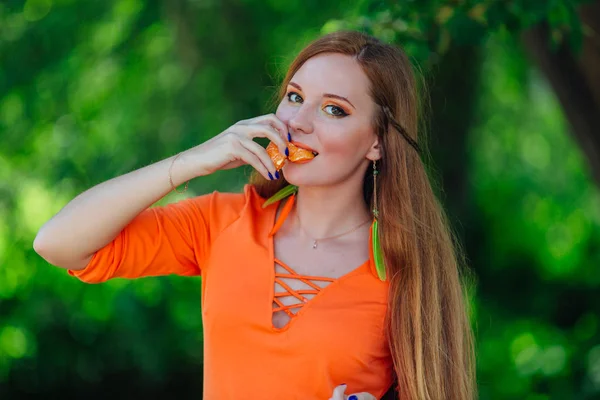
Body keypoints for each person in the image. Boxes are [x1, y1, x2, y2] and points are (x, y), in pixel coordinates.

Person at [34, 30, 476, 399]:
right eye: (294, 97)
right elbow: (56, 243)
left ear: (377, 142)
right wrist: (191, 162)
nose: (299, 121)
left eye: (333, 109)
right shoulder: (222, 222)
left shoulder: (406, 270)